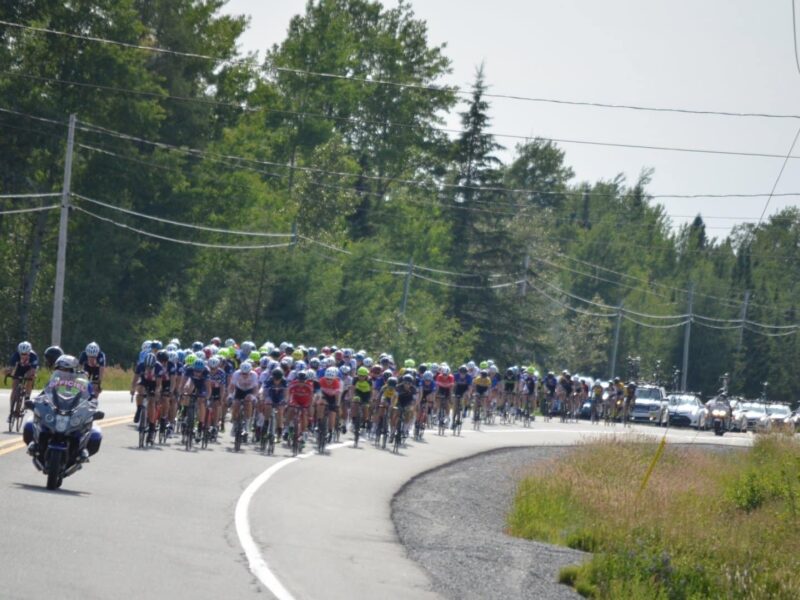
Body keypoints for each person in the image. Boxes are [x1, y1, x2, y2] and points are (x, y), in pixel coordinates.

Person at [6, 341, 39, 423]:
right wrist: (9, 373)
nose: (23, 355)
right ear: (18, 352)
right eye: (21, 353)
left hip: (29, 369)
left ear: (29, 352)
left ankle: (27, 397)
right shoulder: (15, 356)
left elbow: (33, 370)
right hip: (19, 369)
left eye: (25, 354)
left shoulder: (34, 356)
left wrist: (28, 375)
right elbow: (11, 368)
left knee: (31, 378)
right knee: (14, 388)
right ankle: (12, 411)